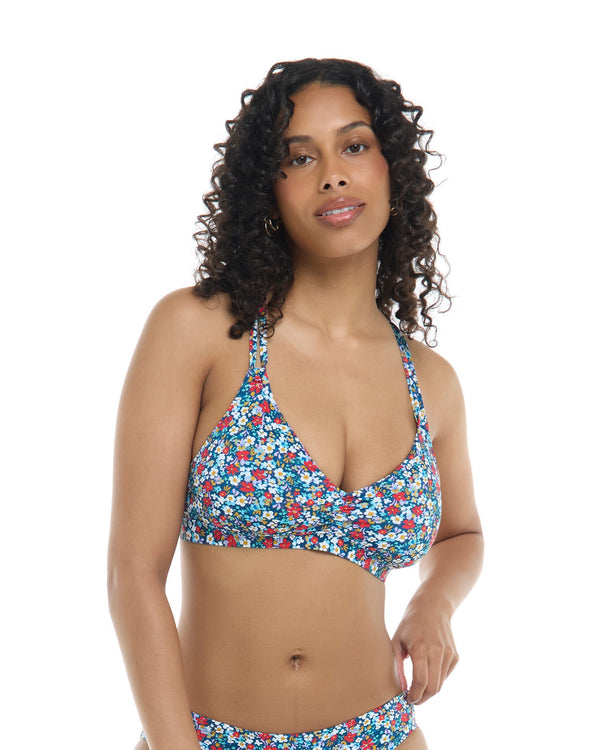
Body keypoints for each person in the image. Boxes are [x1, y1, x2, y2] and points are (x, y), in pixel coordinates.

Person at [107, 57, 484, 750]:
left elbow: (462, 535)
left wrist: (433, 602)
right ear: (267, 189)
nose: (332, 175)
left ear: (394, 170)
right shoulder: (201, 332)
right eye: (299, 158)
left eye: (355, 146)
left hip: (381, 734)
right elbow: (133, 573)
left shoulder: (430, 381)